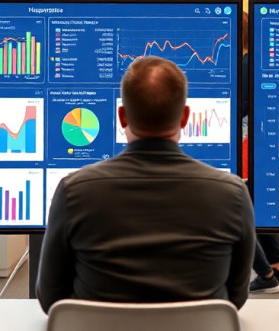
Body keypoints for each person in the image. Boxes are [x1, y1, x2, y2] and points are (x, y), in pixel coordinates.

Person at [36, 56, 256, 311]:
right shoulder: (233, 194)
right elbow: (236, 297)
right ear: (185, 117)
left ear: (122, 117)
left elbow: (51, 298)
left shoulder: (74, 191)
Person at [240, 10, 279, 294]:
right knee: (257, 208)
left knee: (240, 212)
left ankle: (266, 275)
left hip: (247, 139)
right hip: (265, 140)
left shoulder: (246, 62)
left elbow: (244, 105)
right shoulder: (263, 60)